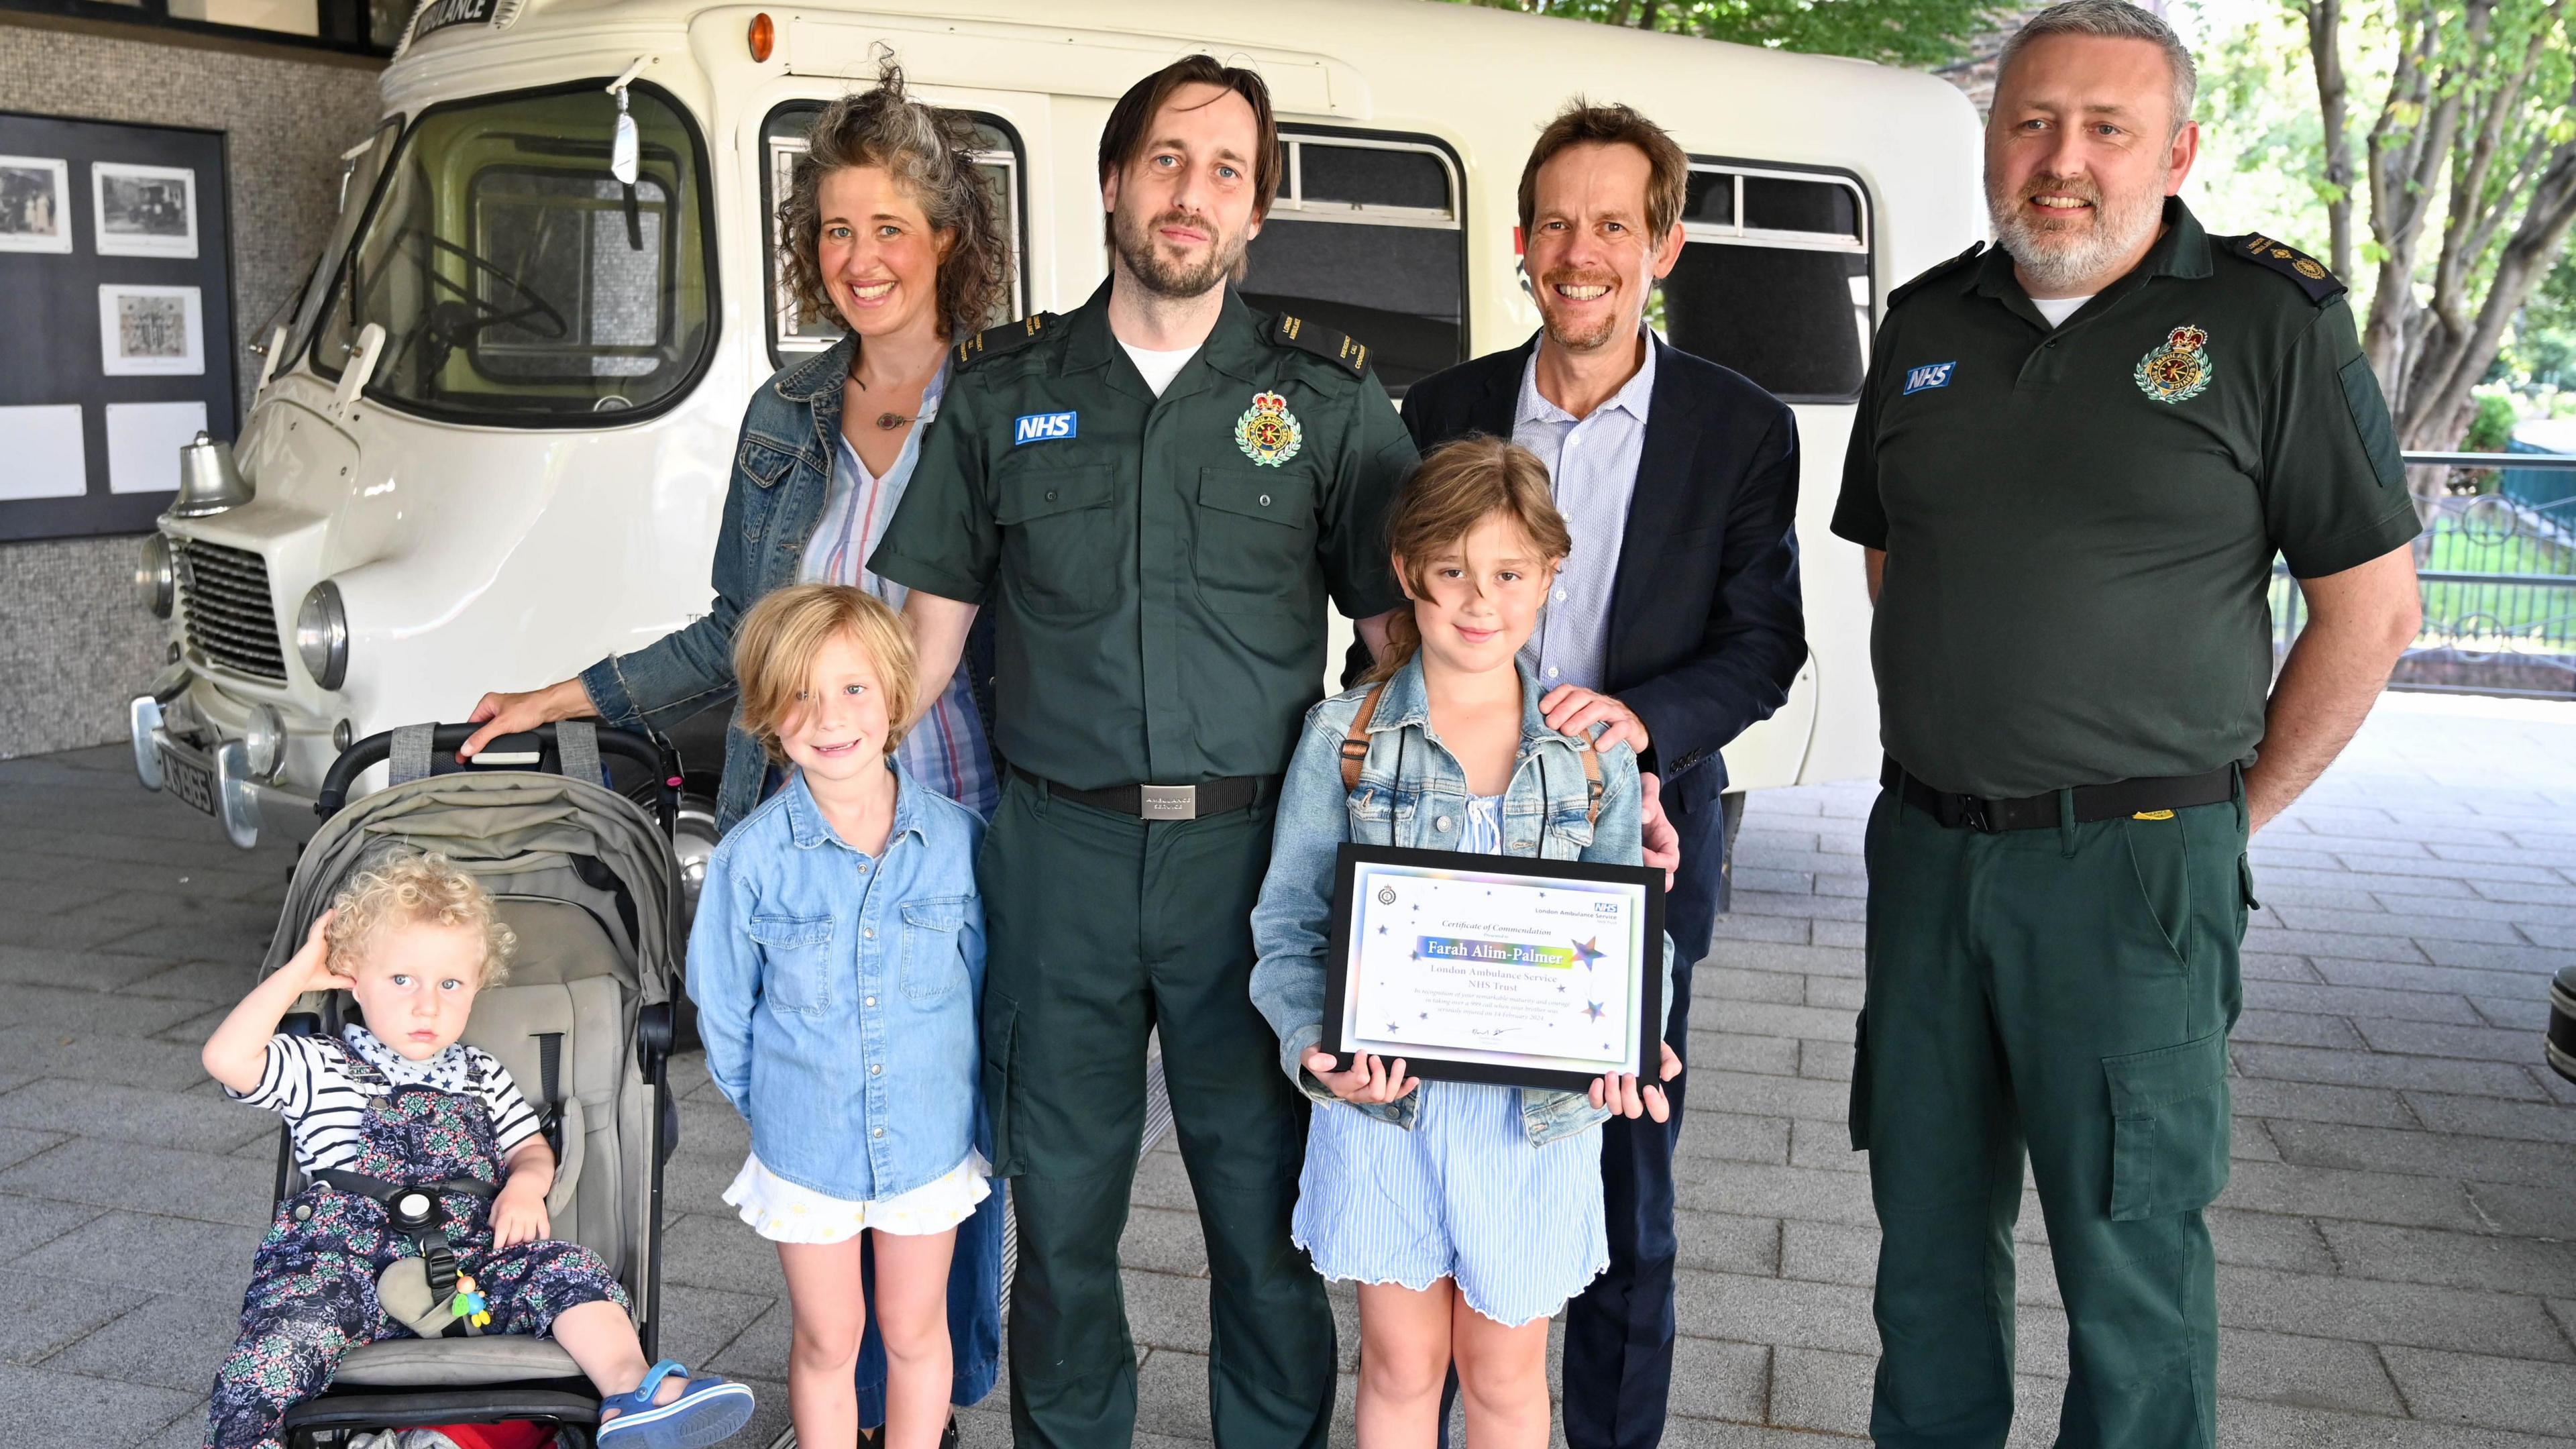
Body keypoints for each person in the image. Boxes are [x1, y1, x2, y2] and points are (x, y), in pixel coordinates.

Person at [1830, 3, 2424, 1444]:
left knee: (2129, 1262)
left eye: (2105, 127)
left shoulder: (2271, 324)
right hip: (1924, 857)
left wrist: (2229, 812)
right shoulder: (1923, 326)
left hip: (2138, 874)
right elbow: (1894, 561)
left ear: (2179, 150)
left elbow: (2374, 611)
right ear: (1994, 138)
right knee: (1923, 1253)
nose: (2062, 160)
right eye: (2032, 122)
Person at [865, 55, 1418, 1449]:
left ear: (1257, 214)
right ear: (1113, 183)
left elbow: (1404, 646)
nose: (1193, 194)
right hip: (1059, 854)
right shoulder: (1002, 396)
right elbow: (923, 649)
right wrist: (833, 794)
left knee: (1265, 1205)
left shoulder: (1333, 407)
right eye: (1168, 160)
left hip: (1257, 865)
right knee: (1059, 1205)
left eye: (1227, 171)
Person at [455, 65, 1009, 1438]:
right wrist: (569, 695)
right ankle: (869, 1404)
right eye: (833, 230)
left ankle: (924, 1402)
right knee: (831, 1131)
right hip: (809, 830)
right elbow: (734, 633)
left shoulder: (1009, 406)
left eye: (889, 226)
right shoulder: (786, 417)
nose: (859, 258)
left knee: (955, 1135)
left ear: (948, 237)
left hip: (966, 825)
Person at [1391, 100, 1804, 1449]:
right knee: (1442, 1189)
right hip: (1447, 854)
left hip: (1631, 858)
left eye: (1614, 225)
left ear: (1663, 246)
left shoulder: (1740, 430)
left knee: (1624, 1189)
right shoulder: (1443, 410)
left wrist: (1637, 724)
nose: (1584, 251)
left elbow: (1763, 647)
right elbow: (1393, 618)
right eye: (1557, 223)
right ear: (1519, 242)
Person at [1248, 437, 1682, 1449]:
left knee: (1504, 1373)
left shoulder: (1591, 758)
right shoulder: (1346, 738)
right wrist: (1316, 1045)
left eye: (1508, 574)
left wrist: (1633, 1042)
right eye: (1452, 573)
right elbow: (1290, 923)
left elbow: (1630, 935)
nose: (1479, 602)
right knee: (1400, 1368)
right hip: (1386, 1106)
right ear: (1408, 574)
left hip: (1527, 1125)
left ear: (1549, 577)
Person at [200, 853, 756, 1449]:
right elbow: (225, 1059)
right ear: (352, 976)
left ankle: (632, 1393)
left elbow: (530, 1148)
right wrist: (299, 973)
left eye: (450, 984)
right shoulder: (319, 1066)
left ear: (477, 986)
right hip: (342, 1267)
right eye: (401, 980)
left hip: (466, 1265)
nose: (427, 1005)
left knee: (567, 1271)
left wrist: (524, 1184)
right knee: (275, 1347)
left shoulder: (479, 1073)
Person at [688, 584, 989, 1449]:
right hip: (806, 1149)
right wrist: (780, 1110)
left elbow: (980, 988)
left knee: (915, 1333)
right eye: (800, 694)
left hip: (929, 1144)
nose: (829, 717)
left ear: (895, 697)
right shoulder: (750, 860)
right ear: (765, 713)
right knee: (828, 1340)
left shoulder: (961, 844)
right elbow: (727, 1011)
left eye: (853, 689)